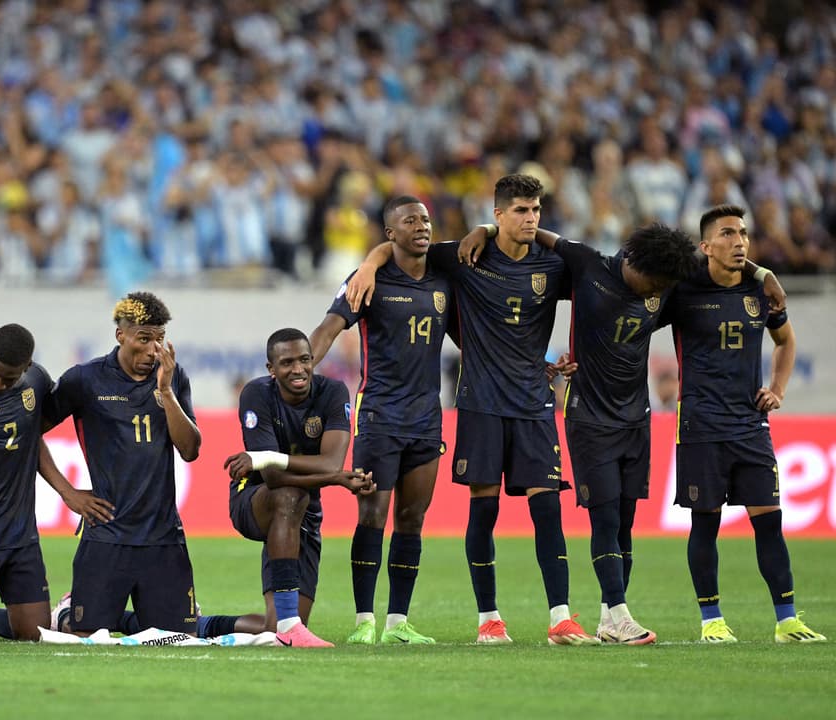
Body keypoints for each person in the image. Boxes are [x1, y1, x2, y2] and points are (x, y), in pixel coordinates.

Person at [345, 174, 597, 645]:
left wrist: (505, 230)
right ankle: (489, 620)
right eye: (520, 210)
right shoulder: (466, 257)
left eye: (536, 210)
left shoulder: (552, 264)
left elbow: (593, 272)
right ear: (499, 212)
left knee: (548, 510)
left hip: (535, 403)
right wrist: (368, 264)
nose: (531, 218)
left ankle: (561, 617)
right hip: (481, 403)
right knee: (484, 511)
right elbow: (402, 244)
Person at [457, 222, 704, 644]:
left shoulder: (663, 285)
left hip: (636, 417)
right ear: (634, 261)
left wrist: (761, 274)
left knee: (624, 523)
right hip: (589, 417)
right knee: (604, 519)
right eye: (654, 282)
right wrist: (487, 227)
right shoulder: (588, 265)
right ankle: (617, 615)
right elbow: (535, 232)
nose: (656, 291)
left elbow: (718, 265)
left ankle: (610, 617)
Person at [661, 204, 824, 644]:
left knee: (769, 523)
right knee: (705, 525)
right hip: (700, 426)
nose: (740, 242)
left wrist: (778, 389)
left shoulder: (760, 291)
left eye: (744, 234)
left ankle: (787, 621)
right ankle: (711, 621)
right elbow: (639, 322)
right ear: (706, 246)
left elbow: (785, 341)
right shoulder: (683, 290)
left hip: (751, 427)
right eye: (728, 234)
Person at [308, 196, 449, 645]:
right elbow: (329, 328)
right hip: (380, 414)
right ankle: (364, 620)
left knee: (412, 518)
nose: (421, 226)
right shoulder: (368, 280)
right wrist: (298, 373)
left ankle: (397, 623)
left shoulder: (445, 277)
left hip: (427, 418)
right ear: (390, 233)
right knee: (372, 514)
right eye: (410, 221)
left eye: (425, 219)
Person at [0, 324, 113, 642]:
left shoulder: (37, 382)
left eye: (9, 378)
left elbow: (32, 436)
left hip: (20, 531)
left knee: (34, 634)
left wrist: (67, 492)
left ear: (27, 367)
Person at [45, 291, 201, 636]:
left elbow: (190, 450)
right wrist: (68, 492)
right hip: (107, 535)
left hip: (163, 536)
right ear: (121, 335)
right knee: (87, 639)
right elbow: (31, 434)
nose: (153, 350)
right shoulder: (85, 379)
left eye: (159, 339)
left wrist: (166, 392)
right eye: (143, 339)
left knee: (179, 641)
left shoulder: (172, 376)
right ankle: (66, 613)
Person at [223, 328, 373, 647]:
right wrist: (335, 478)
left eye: (305, 360)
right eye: (287, 362)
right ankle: (290, 624)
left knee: (272, 627)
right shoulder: (256, 394)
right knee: (288, 495)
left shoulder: (332, 393)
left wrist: (268, 457)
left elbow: (331, 463)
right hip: (253, 498)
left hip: (304, 507)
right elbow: (274, 478)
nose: (298, 369)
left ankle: (201, 624)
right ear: (271, 369)